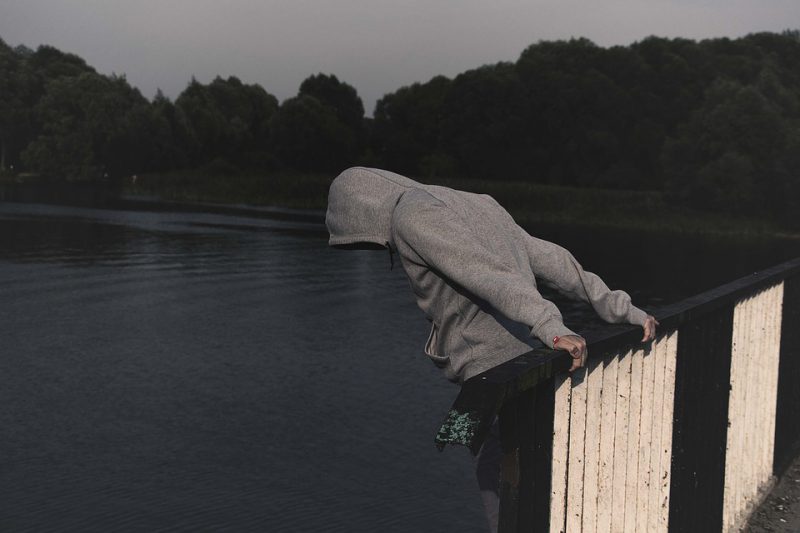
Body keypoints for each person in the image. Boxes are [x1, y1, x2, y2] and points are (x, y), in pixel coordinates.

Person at [325, 166, 658, 530]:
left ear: (359, 208)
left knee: (498, 479)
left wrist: (550, 325)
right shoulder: (473, 203)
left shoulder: (411, 214)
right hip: (532, 365)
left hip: (498, 371)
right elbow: (551, 258)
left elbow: (486, 275)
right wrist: (621, 308)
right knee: (532, 477)